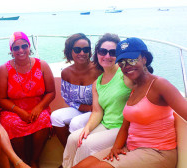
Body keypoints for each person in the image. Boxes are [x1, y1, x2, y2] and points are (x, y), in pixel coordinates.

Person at [74, 37, 187, 168]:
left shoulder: (159, 84)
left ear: (144, 59)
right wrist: (115, 147)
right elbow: (126, 126)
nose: (126, 66)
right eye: (121, 63)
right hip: (131, 147)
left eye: (132, 60)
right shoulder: (134, 87)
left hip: (157, 152)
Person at [62, 33, 133, 168]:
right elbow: (97, 111)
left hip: (121, 128)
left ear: (118, 55)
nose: (107, 56)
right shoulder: (97, 83)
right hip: (105, 124)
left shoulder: (125, 75)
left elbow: (143, 86)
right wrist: (87, 128)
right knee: (73, 139)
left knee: (85, 145)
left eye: (112, 52)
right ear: (97, 54)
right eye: (102, 51)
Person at [0, 32, 55, 168]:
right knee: (11, 123)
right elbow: (1, 99)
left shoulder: (42, 65)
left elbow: (51, 92)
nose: (21, 50)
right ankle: (22, 161)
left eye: (24, 46)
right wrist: (20, 112)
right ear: (11, 50)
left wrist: (39, 108)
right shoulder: (4, 69)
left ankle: (34, 160)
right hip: (13, 109)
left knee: (44, 119)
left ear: (29, 46)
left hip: (37, 106)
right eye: (16, 48)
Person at [50, 33, 102, 147]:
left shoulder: (99, 69)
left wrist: (94, 108)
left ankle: (74, 157)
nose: (82, 53)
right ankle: (67, 152)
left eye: (86, 49)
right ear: (70, 51)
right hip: (81, 109)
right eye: (77, 49)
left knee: (75, 123)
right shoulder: (66, 73)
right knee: (55, 117)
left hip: (97, 110)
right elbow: (67, 98)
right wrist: (85, 107)